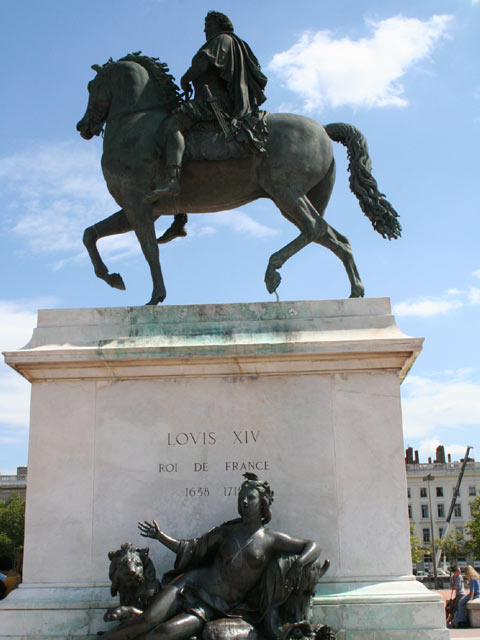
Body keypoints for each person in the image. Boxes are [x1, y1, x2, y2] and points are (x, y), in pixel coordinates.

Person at [101, 474, 326, 640]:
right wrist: (160, 537)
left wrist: (299, 564)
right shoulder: (226, 532)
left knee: (163, 633)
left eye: (251, 497)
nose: (244, 502)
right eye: (242, 498)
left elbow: (312, 545)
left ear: (263, 503)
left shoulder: (270, 539)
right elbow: (191, 548)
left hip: (214, 607)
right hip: (190, 586)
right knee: (147, 621)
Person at [146, 11, 268, 243]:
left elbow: (203, 65)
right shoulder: (236, 44)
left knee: (173, 126)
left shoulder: (222, 40)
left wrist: (186, 77)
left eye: (207, 25)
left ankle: (172, 179)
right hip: (216, 99)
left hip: (214, 101)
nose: (205, 31)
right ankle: (179, 219)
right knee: (185, 148)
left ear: (219, 25)